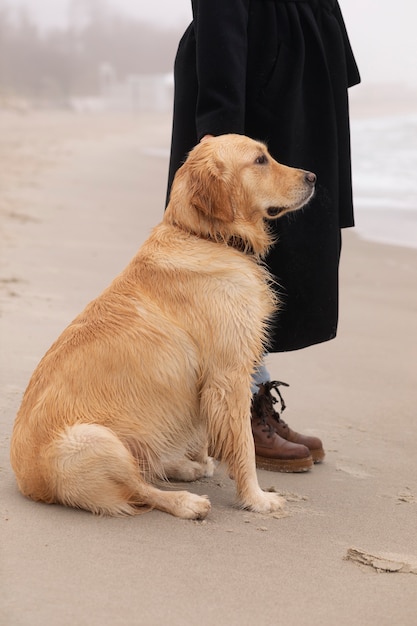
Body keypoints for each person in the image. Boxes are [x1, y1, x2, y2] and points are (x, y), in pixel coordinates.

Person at [166, 0, 360, 472]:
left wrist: (331, 59)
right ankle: (234, 412)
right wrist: (220, 130)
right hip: (251, 62)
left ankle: (246, 396)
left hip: (300, 56)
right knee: (227, 243)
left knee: (289, 248)